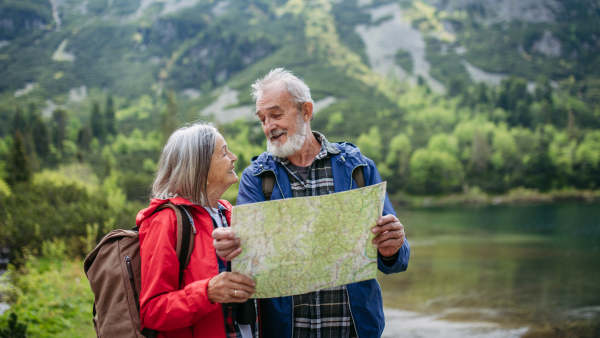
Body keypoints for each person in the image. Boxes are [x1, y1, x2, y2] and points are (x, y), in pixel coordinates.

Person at [213, 68, 410, 338]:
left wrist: (392, 248)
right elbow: (249, 266)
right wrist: (230, 251)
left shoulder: (358, 168)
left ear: (306, 111)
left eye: (276, 114)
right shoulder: (256, 179)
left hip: (354, 330)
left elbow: (397, 260)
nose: (268, 126)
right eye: (262, 119)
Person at [136, 123, 259, 338]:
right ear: (199, 166)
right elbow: (152, 312)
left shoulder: (227, 212)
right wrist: (207, 293)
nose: (234, 157)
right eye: (224, 153)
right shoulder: (166, 221)